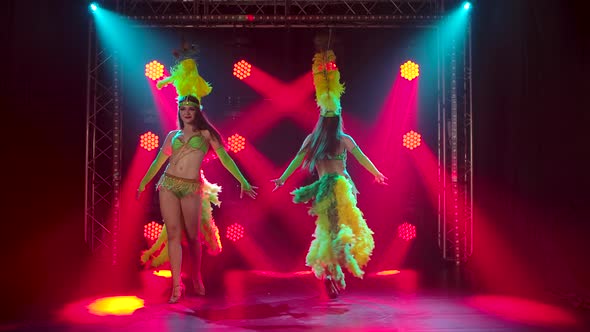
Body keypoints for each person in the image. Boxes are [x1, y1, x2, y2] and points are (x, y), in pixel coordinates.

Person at [137, 49, 257, 303]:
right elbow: (159, 161)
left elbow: (225, 159)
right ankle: (176, 286)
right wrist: (143, 182)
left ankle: (196, 277)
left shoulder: (206, 136)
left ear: (198, 111)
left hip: (191, 187)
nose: (186, 112)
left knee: (192, 236)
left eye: (191, 108)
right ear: (179, 111)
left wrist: (243, 181)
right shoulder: (173, 137)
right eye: (183, 108)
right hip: (168, 185)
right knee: (172, 233)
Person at [272, 49, 386, 298]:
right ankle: (332, 276)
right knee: (333, 232)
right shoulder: (319, 140)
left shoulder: (335, 139)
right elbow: (298, 160)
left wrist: (376, 172)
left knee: (332, 232)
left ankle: (331, 275)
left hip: (339, 188)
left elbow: (360, 158)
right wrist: (283, 177)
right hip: (332, 189)